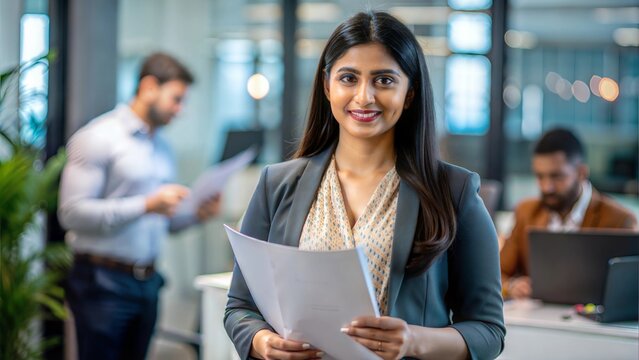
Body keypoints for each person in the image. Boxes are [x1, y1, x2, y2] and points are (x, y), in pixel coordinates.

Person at [224, 11, 504, 360]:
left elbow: (488, 331)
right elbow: (239, 306)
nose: (364, 96)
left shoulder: (453, 190)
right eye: (348, 78)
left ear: (410, 92)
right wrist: (262, 342)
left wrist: (414, 340)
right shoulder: (277, 184)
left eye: (384, 80)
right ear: (327, 86)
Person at [58, 53, 221, 360]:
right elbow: (72, 213)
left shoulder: (161, 147)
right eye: (176, 99)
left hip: (147, 283)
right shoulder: (98, 138)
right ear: (148, 87)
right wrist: (146, 204)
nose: (180, 110)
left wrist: (196, 216)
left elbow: (162, 222)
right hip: (101, 284)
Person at [500, 128, 638, 299]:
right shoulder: (526, 212)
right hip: (536, 317)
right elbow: (498, 272)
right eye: (540, 176)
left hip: (592, 322)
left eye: (556, 176)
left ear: (581, 173)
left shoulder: (620, 220)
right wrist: (512, 286)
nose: (546, 187)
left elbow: (630, 291)